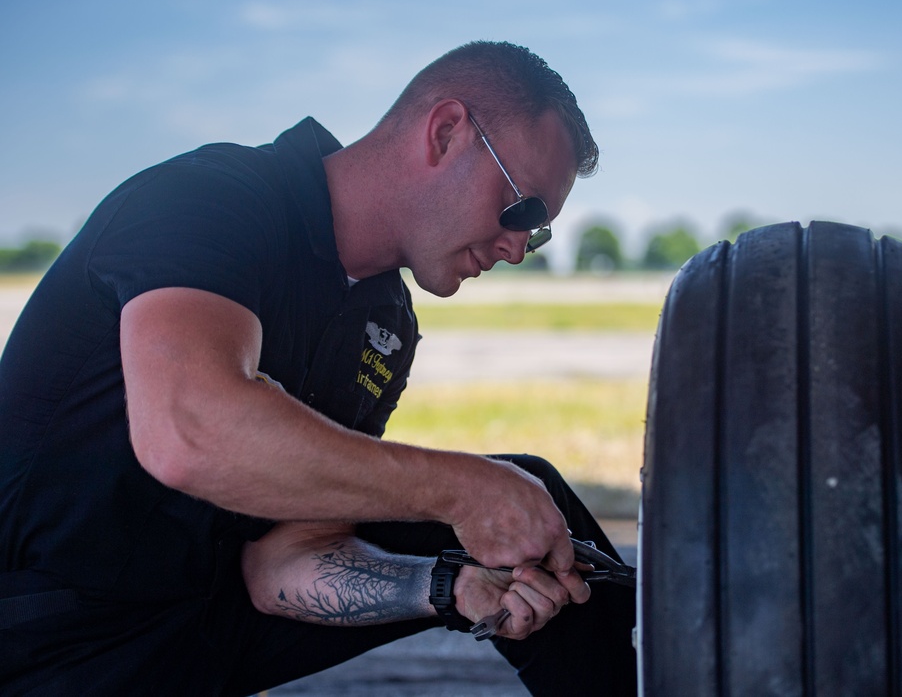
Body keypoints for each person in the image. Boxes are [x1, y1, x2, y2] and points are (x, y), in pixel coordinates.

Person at [0, 40, 637, 695]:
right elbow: (186, 432)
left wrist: (450, 587)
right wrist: (461, 488)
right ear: (445, 133)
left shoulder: (385, 321)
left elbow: (281, 566)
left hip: (191, 637)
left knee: (544, 527)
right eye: (522, 210)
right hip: (43, 640)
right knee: (500, 489)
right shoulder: (215, 199)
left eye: (537, 233)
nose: (516, 249)